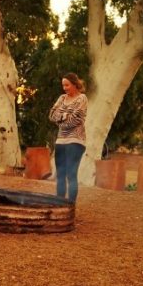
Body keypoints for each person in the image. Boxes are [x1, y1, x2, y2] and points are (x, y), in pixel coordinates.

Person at [48, 72, 88, 203]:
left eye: (67, 85)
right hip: (61, 141)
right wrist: (64, 116)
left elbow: (74, 120)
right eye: (63, 85)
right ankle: (59, 206)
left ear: (75, 84)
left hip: (76, 141)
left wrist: (62, 117)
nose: (64, 88)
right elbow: (51, 115)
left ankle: (70, 206)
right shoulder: (62, 98)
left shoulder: (82, 98)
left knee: (71, 175)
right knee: (60, 175)